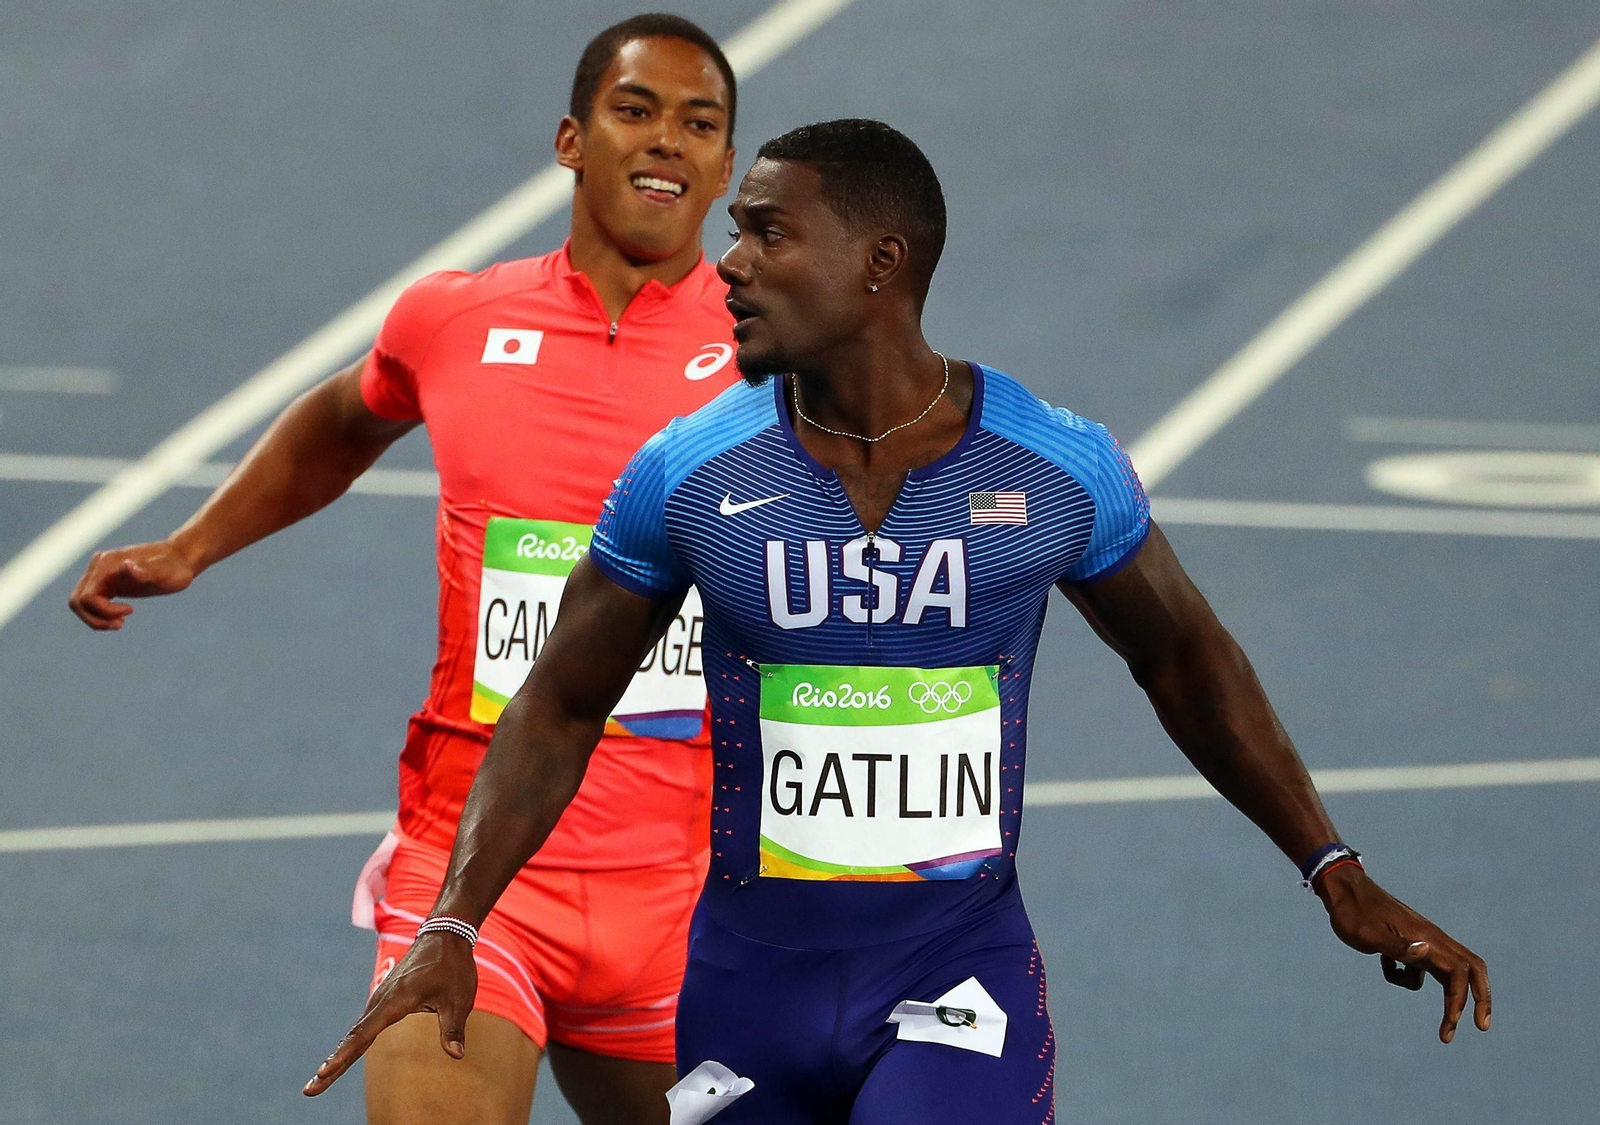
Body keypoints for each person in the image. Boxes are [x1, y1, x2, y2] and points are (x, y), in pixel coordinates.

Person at [303, 119, 1491, 1121]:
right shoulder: (688, 475)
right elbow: (557, 704)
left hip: (952, 982)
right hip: (735, 993)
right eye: (735, 232)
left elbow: (1185, 660)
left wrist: (1332, 869)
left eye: (766, 232)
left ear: (879, 263)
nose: (729, 263)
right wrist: (454, 918)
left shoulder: (1052, 468)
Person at [68, 15, 744, 1124]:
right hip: (472, 883)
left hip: (682, 900)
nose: (667, 139)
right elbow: (344, 419)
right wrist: (193, 545)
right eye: (637, 111)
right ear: (573, 139)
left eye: (699, 124)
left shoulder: (780, 359)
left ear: (724, 168)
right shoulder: (458, 321)